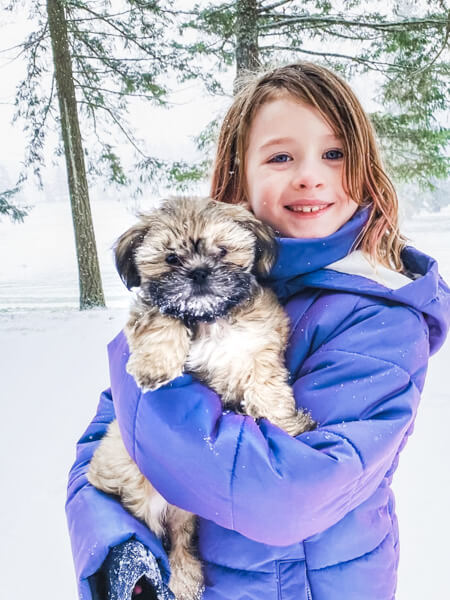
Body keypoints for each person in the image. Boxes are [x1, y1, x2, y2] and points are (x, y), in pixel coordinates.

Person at [66, 62, 450, 600]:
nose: (310, 175)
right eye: (280, 157)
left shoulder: (382, 319)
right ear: (235, 178)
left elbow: (286, 496)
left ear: (366, 169)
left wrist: (154, 371)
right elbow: (101, 452)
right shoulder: (195, 299)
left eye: (334, 154)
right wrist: (119, 543)